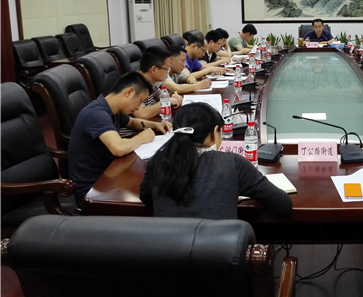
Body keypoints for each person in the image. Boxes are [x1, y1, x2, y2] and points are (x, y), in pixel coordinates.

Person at [139, 103, 293, 219]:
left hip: (167, 251)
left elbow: (147, 199)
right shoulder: (231, 164)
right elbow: (282, 204)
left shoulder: (157, 161)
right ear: (214, 133)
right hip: (219, 252)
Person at [69, 72, 172, 209]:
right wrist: (141, 137)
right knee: (154, 197)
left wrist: (155, 125)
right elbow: (118, 148)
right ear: (129, 92)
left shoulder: (113, 109)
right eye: (140, 101)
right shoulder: (96, 115)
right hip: (93, 191)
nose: (138, 108)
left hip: (110, 175)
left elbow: (132, 122)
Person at [134, 46, 183, 120]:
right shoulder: (135, 84)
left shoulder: (151, 83)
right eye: (167, 68)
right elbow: (142, 114)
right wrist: (168, 101)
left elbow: (162, 98)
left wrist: (173, 98)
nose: (168, 72)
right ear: (154, 69)